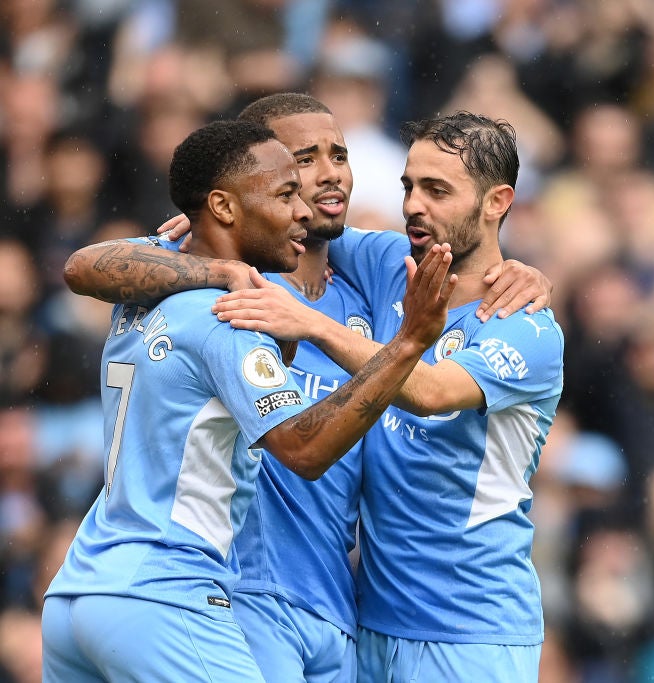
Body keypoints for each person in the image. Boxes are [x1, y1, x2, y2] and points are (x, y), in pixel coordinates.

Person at [61, 93, 552, 682]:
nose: (328, 175)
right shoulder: (228, 293)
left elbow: (460, 274)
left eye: (339, 155)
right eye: (298, 169)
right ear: (248, 189)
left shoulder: (380, 271)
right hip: (240, 593)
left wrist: (522, 269)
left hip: (348, 610)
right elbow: (86, 267)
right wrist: (207, 249)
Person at [212, 111, 565, 682]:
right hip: (370, 622)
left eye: (437, 190)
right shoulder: (389, 268)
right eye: (408, 186)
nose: (413, 206)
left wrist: (313, 324)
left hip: (469, 628)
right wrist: (217, 213)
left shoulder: (526, 329)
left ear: (498, 202)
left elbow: (428, 393)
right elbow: (283, 226)